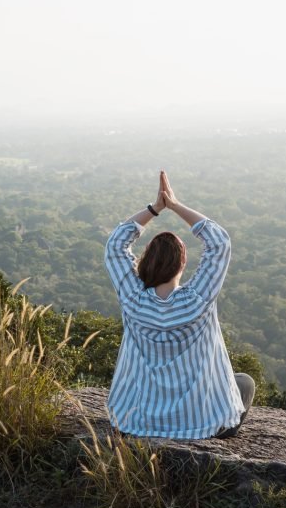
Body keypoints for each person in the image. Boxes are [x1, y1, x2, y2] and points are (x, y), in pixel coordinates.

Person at [104, 170, 255, 439]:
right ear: (183, 264)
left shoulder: (132, 300)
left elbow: (115, 245)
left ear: (145, 262)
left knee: (242, 381)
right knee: (244, 382)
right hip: (202, 426)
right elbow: (219, 243)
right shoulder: (199, 299)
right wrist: (174, 204)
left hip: (135, 423)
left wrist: (155, 209)